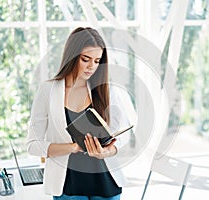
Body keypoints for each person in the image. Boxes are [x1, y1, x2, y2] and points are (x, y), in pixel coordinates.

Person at [26, 27, 134, 200]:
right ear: (72, 56)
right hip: (68, 185)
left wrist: (106, 151)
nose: (92, 66)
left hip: (106, 184)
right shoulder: (47, 90)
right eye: (86, 59)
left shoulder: (107, 90)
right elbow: (33, 145)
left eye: (97, 61)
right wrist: (73, 147)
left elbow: (121, 138)